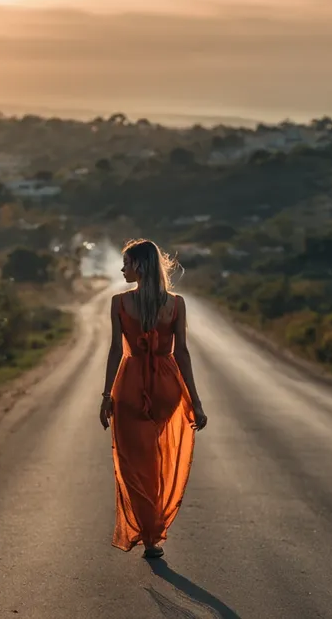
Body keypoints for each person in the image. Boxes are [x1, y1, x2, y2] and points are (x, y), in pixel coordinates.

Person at [99, 238, 207, 559]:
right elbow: (183, 353)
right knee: (156, 457)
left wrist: (107, 394)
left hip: (131, 384)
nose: (122, 269)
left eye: (127, 263)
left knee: (134, 462)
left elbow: (117, 351)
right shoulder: (176, 303)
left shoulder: (120, 303)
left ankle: (148, 533)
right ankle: (153, 533)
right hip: (167, 386)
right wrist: (195, 401)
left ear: (140, 267)